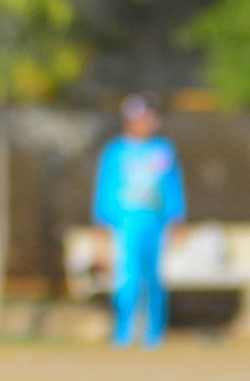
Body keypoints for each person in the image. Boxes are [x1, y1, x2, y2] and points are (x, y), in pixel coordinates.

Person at [92, 92, 187, 348]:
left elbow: (173, 187)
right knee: (128, 277)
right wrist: (101, 224)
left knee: (154, 278)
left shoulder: (163, 151)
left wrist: (177, 218)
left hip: (155, 222)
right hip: (126, 222)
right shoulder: (115, 152)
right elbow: (105, 189)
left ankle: (154, 333)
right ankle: (124, 331)